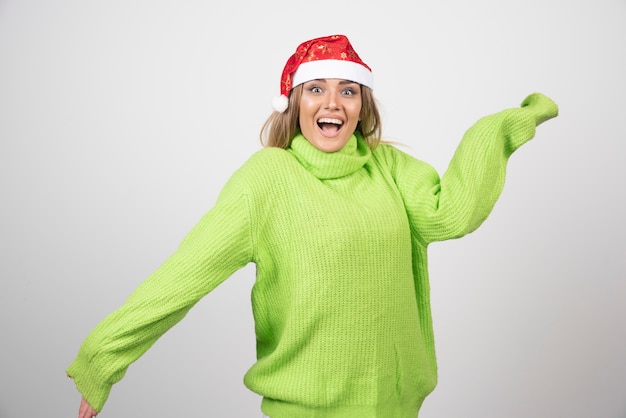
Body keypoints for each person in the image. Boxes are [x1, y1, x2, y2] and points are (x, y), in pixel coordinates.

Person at [67, 34, 558, 418]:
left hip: (395, 407)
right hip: (304, 411)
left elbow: (452, 212)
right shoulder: (267, 179)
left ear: (362, 106)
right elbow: (184, 275)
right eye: (316, 90)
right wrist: (102, 358)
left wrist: (501, 129)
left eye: (348, 91)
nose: (332, 104)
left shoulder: (386, 167)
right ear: (294, 103)